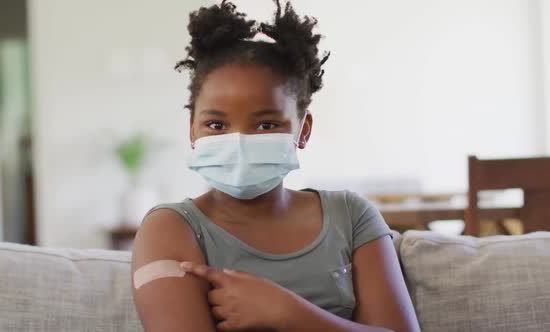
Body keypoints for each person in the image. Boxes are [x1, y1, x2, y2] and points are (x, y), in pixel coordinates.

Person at [131, 1, 420, 331]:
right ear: (192, 128)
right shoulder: (170, 228)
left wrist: (289, 312)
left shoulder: (351, 216)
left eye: (266, 125)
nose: (238, 140)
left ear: (303, 129)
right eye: (216, 125)